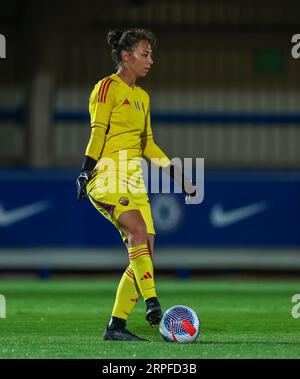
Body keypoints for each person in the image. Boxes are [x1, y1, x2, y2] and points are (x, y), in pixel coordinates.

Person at [76, 29, 196, 341]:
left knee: (144, 251)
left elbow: (149, 145)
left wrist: (178, 175)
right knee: (138, 233)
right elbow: (97, 132)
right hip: (107, 174)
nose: (151, 61)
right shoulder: (106, 88)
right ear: (126, 57)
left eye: (151, 55)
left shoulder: (143, 97)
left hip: (134, 179)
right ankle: (153, 302)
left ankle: (116, 326)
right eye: (145, 54)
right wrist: (85, 171)